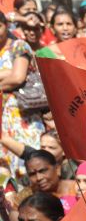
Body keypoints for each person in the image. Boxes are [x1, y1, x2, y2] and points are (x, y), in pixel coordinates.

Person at [0, 11, 44, 176]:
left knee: (28, 165)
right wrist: (6, 73)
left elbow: (18, 77)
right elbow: (12, 75)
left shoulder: (18, 45)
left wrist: (8, 75)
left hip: (22, 114)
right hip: (2, 117)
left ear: (6, 26)